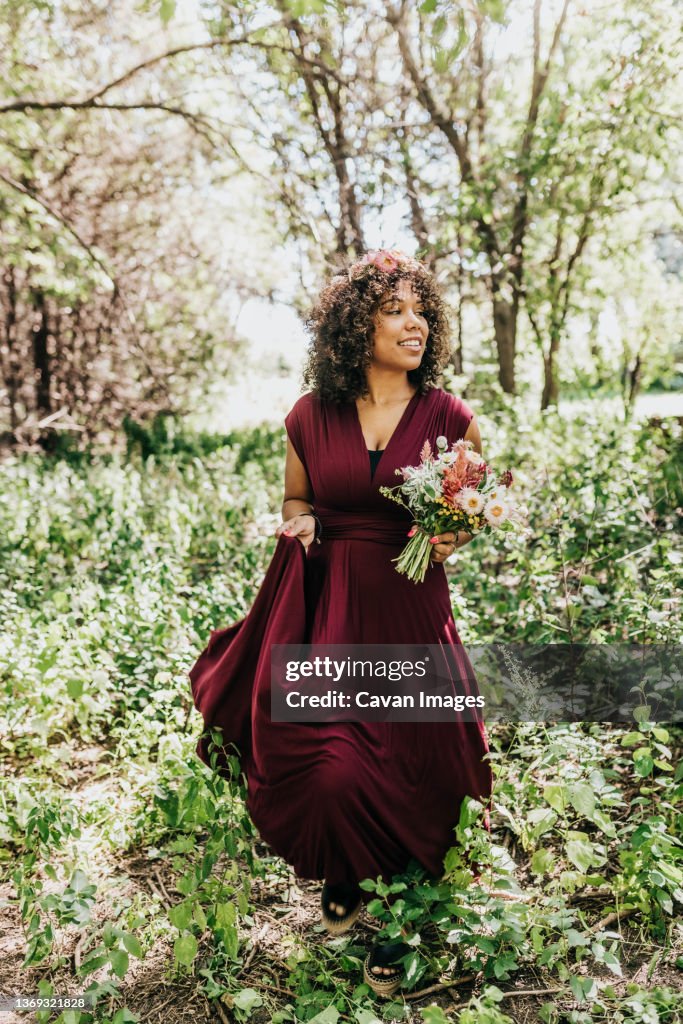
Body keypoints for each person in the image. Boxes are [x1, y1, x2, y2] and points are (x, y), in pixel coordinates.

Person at [189, 248, 492, 998]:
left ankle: (396, 909)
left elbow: (468, 508)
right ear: (356, 326)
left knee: (411, 760)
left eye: (421, 309)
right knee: (327, 757)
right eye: (394, 309)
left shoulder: (451, 416)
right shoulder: (306, 416)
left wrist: (455, 531)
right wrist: (297, 525)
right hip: (328, 605)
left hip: (408, 608)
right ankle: (344, 869)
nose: (413, 321)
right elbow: (296, 499)